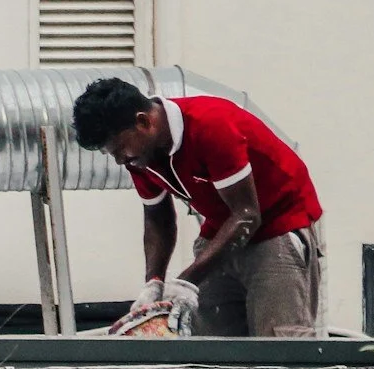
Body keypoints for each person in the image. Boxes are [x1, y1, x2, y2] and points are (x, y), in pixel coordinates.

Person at [70, 77, 324, 338]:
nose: (120, 160)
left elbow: (247, 214)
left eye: (120, 149)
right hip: (221, 231)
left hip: (276, 227)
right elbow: (158, 219)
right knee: (210, 343)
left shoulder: (211, 125)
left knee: (278, 346)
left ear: (144, 121)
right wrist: (154, 281)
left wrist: (186, 280)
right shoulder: (140, 156)